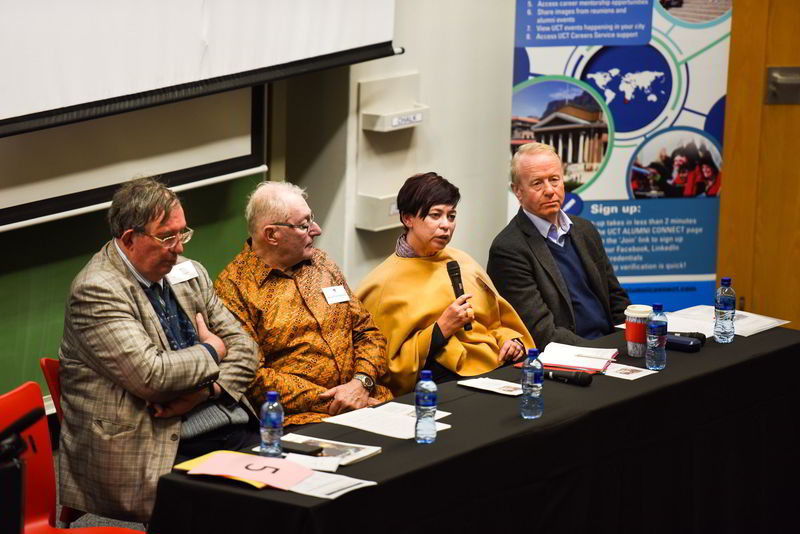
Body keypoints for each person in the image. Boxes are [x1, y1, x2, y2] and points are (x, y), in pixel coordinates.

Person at [58, 177, 259, 523]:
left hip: (223, 419)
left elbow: (245, 347)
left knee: (293, 496)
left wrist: (206, 391)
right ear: (129, 239)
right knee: (236, 513)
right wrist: (211, 351)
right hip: (153, 443)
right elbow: (153, 376)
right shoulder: (97, 291)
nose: (179, 247)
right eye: (167, 237)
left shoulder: (188, 272)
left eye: (183, 233)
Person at [214, 181, 392, 426]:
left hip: (369, 400)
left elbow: (367, 332)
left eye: (312, 219)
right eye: (304, 225)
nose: (316, 230)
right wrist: (336, 401)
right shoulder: (234, 288)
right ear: (271, 234)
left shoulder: (323, 264)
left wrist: (361, 383)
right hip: (303, 420)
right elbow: (253, 377)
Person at [356, 173, 534, 396]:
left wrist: (511, 341)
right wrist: (440, 330)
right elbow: (388, 368)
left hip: (496, 362)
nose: (445, 225)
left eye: (451, 216)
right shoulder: (382, 283)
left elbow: (497, 321)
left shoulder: (464, 262)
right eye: (435, 215)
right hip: (441, 380)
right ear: (408, 218)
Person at [487, 142, 630, 349]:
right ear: (518, 192)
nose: (549, 190)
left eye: (554, 180)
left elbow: (616, 298)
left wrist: (629, 341)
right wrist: (603, 354)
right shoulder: (508, 249)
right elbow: (541, 332)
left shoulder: (585, 229)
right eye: (537, 183)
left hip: (612, 346)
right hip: (570, 359)